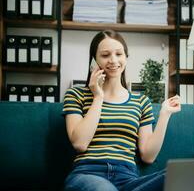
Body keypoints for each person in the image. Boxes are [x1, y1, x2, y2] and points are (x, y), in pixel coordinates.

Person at [62, 30, 181, 191]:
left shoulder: (140, 101)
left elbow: (148, 156)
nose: (113, 60)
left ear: (126, 57)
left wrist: (165, 114)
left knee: (177, 177)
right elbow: (80, 143)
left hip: (128, 179)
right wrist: (98, 96)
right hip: (89, 174)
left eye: (119, 54)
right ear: (94, 61)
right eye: (105, 55)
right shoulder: (76, 95)